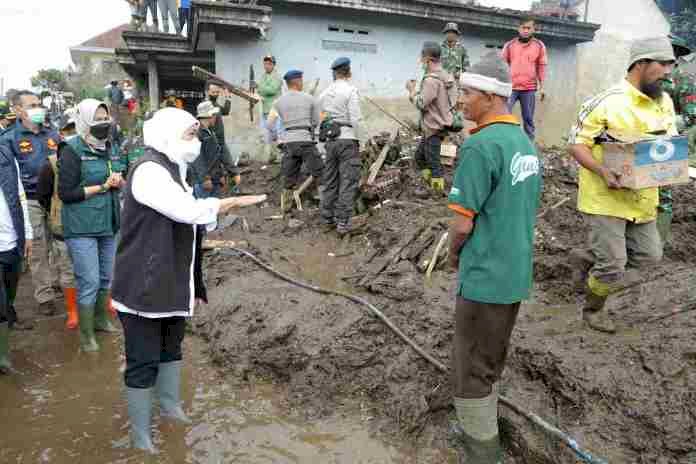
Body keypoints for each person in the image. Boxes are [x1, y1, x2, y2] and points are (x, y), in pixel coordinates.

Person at [110, 108, 266, 453]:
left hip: (172, 281)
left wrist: (196, 282)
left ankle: (169, 407)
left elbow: (192, 222)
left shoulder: (177, 168)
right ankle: (140, 434)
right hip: (143, 284)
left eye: (196, 134)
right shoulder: (149, 170)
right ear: (166, 134)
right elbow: (186, 211)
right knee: (142, 359)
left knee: (170, 347)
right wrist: (231, 203)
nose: (195, 142)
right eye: (189, 135)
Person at [448, 53, 541, 463]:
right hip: (514, 273)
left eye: (465, 93)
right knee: (491, 355)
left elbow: (462, 226)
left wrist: (454, 256)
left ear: (489, 96)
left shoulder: (479, 145)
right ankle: (485, 419)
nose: (460, 101)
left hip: (484, 275)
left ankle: (482, 452)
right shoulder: (523, 142)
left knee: (469, 368)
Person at [567, 36, 676, 334]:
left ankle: (586, 258)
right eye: (663, 64)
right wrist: (603, 170)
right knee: (614, 265)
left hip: (642, 196)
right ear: (641, 64)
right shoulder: (605, 102)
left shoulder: (664, 102)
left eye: (671, 64)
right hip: (606, 196)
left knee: (648, 256)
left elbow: (668, 144)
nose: (669, 71)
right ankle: (593, 310)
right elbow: (576, 145)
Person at [58, 99, 123, 352]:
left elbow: (118, 170)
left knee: (107, 276)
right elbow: (66, 193)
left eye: (105, 118)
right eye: (96, 119)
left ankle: (100, 319)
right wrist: (103, 187)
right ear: (84, 120)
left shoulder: (109, 146)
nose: (103, 123)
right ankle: (87, 337)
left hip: (108, 221)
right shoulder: (71, 149)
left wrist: (120, 180)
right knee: (90, 280)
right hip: (82, 226)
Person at [0, 90, 61, 328]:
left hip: (55, 199)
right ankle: (44, 295)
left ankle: (55, 282)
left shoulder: (52, 134)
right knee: (37, 246)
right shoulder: (9, 139)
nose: (38, 108)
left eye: (39, 104)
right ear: (17, 110)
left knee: (58, 243)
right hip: (31, 200)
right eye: (32, 105)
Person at [36, 113, 79, 330]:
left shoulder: (92, 156)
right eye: (68, 131)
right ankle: (72, 310)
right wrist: (55, 214)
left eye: (76, 129)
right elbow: (42, 196)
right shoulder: (51, 164)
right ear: (61, 134)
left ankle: (95, 306)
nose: (73, 135)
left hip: (90, 224)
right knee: (68, 270)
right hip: (64, 227)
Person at [318, 57, 363, 236]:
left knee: (330, 180)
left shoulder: (323, 94)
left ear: (334, 73)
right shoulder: (350, 91)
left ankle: (327, 218)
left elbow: (320, 119)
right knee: (349, 181)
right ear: (348, 71)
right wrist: (363, 140)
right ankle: (343, 223)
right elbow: (356, 119)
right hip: (347, 140)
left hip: (330, 141)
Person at [268, 69, 323, 213]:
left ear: (287, 84)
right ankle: (326, 206)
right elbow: (316, 122)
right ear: (298, 82)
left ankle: (284, 210)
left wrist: (277, 138)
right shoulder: (310, 99)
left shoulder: (278, 102)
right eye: (302, 80)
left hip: (289, 143)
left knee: (288, 178)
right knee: (320, 173)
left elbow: (269, 124)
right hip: (305, 140)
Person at [0, 144, 33, 374]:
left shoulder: (6, 156)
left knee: (9, 295)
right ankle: (3, 359)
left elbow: (20, 196)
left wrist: (27, 233)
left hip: (12, 241)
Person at [658, 35, 693, 244]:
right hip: (641, 140)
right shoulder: (647, 78)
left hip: (669, 144)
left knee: (663, 195)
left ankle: (658, 244)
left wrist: (666, 126)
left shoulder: (684, 80)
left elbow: (691, 115)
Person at [407, 42, 455, 196]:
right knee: (420, 158)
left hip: (434, 126)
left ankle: (437, 192)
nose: (420, 62)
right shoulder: (445, 75)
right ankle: (430, 184)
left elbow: (421, 103)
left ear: (427, 59)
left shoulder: (431, 80)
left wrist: (412, 91)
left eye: (421, 58)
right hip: (438, 125)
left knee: (434, 163)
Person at [502, 17, 548, 140]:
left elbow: (542, 67)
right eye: (523, 28)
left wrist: (542, 87)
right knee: (503, 115)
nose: (526, 30)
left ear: (533, 29)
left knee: (528, 118)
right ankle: (505, 140)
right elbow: (502, 65)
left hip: (529, 88)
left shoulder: (539, 45)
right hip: (511, 87)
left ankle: (529, 143)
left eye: (529, 28)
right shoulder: (510, 45)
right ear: (519, 29)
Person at [190, 100, 239, 199]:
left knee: (213, 211)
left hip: (214, 179)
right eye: (214, 115)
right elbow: (197, 159)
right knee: (203, 211)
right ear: (209, 116)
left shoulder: (210, 132)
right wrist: (205, 179)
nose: (216, 117)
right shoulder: (197, 133)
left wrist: (220, 175)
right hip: (203, 182)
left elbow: (215, 155)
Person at [205, 81, 241, 190]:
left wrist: (228, 97)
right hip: (211, 144)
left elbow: (225, 111)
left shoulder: (216, 105)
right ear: (207, 92)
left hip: (221, 142)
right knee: (214, 171)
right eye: (213, 92)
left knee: (231, 167)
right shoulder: (205, 107)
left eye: (217, 92)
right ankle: (218, 194)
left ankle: (237, 190)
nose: (215, 94)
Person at [257, 55, 284, 163]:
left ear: (273, 65)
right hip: (265, 109)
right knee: (269, 134)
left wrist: (260, 87)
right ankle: (272, 156)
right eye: (265, 63)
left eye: (269, 64)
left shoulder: (277, 76)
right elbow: (261, 91)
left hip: (275, 110)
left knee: (278, 133)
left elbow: (272, 90)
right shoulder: (263, 76)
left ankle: (280, 157)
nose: (267, 66)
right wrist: (261, 88)